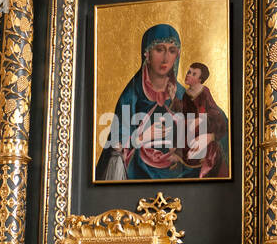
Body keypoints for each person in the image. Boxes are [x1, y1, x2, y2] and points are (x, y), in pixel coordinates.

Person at [96, 22, 190, 180]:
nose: (166, 58)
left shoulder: (182, 95)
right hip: (138, 171)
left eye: (172, 51)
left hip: (178, 171)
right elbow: (116, 144)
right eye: (159, 49)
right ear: (147, 53)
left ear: (177, 55)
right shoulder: (132, 94)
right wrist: (141, 137)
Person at [178, 62, 229, 177]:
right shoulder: (186, 94)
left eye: (193, 74)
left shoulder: (204, 92)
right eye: (189, 72)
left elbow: (213, 113)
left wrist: (200, 120)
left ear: (200, 79)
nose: (188, 75)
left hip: (204, 129)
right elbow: (184, 111)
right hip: (190, 129)